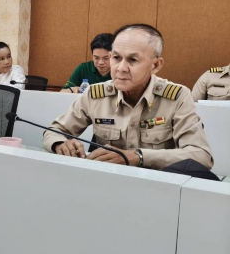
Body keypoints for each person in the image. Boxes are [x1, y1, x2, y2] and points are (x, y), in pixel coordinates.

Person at [43, 24, 213, 170]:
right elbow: (54, 131)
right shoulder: (95, 95)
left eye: (133, 60)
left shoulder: (177, 97)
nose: (121, 68)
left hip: (157, 186)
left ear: (155, 65)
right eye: (116, 58)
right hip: (106, 182)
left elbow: (201, 155)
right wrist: (60, 144)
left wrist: (138, 157)